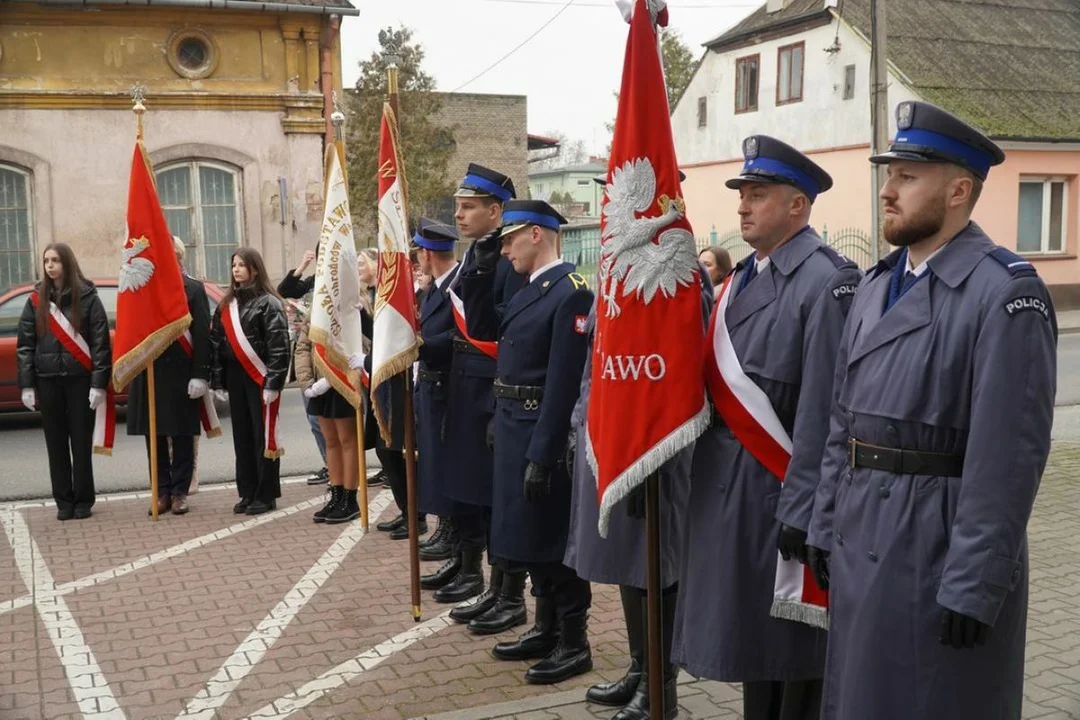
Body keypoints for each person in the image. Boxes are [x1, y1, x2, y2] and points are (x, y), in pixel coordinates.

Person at [806, 101, 1057, 720]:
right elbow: (842, 421)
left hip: (934, 543)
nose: (886, 191)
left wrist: (977, 580)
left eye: (906, 177)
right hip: (863, 527)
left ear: (958, 191)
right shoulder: (875, 285)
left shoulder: (1004, 293)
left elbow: (1008, 457)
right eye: (889, 174)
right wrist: (822, 518)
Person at [672, 135, 862, 720]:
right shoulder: (741, 279)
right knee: (756, 646)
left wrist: (805, 508)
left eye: (758, 194)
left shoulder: (827, 280)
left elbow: (826, 410)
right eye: (742, 194)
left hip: (776, 490)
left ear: (798, 206)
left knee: (793, 653)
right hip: (730, 487)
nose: (742, 207)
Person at [563, 279, 715, 720]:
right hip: (616, 441)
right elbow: (597, 366)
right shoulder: (615, 277)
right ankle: (639, 668)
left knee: (658, 563)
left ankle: (660, 687)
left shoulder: (679, 279)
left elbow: (683, 372)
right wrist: (582, 425)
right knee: (630, 560)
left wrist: (651, 453)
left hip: (660, 448)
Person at [462, 199, 594, 684]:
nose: (503, 250)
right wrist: (476, 275)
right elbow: (483, 332)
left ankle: (574, 641)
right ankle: (545, 626)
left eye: (508, 239)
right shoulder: (527, 289)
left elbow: (563, 383)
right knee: (525, 536)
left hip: (543, 430)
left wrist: (544, 451)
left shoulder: (571, 292)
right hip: (514, 421)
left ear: (536, 234)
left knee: (552, 538)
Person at [435, 164, 529, 630]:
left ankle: (505, 590)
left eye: (468, 207)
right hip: (465, 385)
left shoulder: (508, 259)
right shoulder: (478, 254)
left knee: (496, 499)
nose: (459, 215)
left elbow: (504, 334)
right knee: (471, 488)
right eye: (457, 206)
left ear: (496, 211)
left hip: (491, 388)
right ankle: (481, 578)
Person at [17, 243, 111, 521]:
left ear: (67, 263)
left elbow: (100, 344)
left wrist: (98, 383)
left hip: (80, 381)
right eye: (46, 260)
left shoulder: (89, 298)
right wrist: (27, 385)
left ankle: (83, 499)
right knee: (56, 444)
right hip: (48, 381)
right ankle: (63, 501)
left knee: (81, 443)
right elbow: (25, 345)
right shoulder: (35, 301)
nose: (50, 265)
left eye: (55, 260)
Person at [126, 236, 212, 516]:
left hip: (182, 370)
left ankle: (179, 493)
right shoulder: (145, 289)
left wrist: (200, 374)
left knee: (182, 433)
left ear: (178, 256)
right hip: (152, 371)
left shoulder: (194, 289)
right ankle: (161, 491)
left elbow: (200, 335)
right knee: (156, 434)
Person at [210, 247, 290, 516]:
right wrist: (218, 381)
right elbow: (217, 344)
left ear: (254, 269)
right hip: (235, 376)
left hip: (260, 377)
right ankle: (247, 491)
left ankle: (266, 494)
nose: (236, 269)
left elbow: (279, 347)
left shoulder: (269, 303)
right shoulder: (225, 305)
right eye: (234, 265)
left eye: (242, 265)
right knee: (242, 437)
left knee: (262, 436)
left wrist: (273, 383)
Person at [411, 219, 467, 572]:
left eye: (418, 252)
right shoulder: (433, 289)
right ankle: (446, 528)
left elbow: (462, 336)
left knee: (447, 465)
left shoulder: (459, 285)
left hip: (450, 389)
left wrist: (422, 346)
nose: (416, 259)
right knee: (432, 461)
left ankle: (453, 531)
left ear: (428, 253)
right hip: (429, 386)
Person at [296, 321, 364, 525]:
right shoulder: (319, 302)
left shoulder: (353, 300)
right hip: (318, 383)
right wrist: (307, 381)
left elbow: (360, 343)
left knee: (347, 441)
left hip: (342, 381)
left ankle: (350, 499)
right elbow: (303, 346)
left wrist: (334, 376)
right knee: (331, 442)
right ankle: (337, 494)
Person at [278, 248, 329, 486]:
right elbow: (285, 291)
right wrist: (301, 268)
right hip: (306, 356)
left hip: (331, 359)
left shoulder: (344, 282)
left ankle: (342, 468)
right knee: (314, 419)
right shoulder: (314, 281)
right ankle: (330, 465)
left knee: (333, 422)